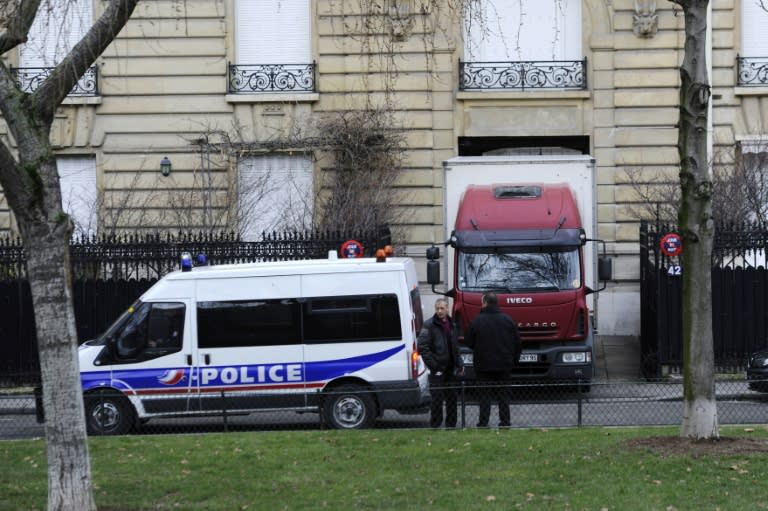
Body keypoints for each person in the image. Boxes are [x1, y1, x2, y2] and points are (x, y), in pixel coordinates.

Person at [464, 292, 521, 427]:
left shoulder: (476, 321)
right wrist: (514, 361)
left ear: (484, 303)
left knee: (484, 397)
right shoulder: (508, 320)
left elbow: (469, 342)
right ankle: (505, 422)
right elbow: (518, 343)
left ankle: (483, 423)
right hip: (504, 365)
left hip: (483, 366)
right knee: (504, 397)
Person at [417, 298, 464, 428]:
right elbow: (423, 347)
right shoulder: (429, 325)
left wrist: (459, 363)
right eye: (437, 308)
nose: (439, 311)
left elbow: (456, 346)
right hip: (437, 369)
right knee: (436, 399)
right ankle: (436, 425)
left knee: (452, 398)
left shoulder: (452, 324)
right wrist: (434, 365)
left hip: (451, 368)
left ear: (447, 309)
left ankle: (451, 425)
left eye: (442, 308)